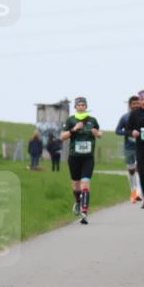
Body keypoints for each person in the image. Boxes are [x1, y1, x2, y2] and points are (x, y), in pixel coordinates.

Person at [61, 96, 102, 224]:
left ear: (86, 106)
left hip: (88, 158)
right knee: (76, 186)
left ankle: (84, 212)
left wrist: (96, 133)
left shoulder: (92, 120)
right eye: (79, 105)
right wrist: (74, 129)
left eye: (83, 105)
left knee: (85, 184)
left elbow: (100, 134)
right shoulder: (70, 120)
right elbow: (63, 136)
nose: (81, 107)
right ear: (75, 107)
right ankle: (78, 202)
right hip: (74, 157)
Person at [115, 96, 143, 203]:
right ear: (130, 105)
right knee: (131, 169)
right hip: (129, 147)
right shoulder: (125, 117)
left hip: (141, 146)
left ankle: (139, 192)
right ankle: (133, 190)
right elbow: (117, 131)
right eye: (133, 103)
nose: (136, 105)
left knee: (139, 168)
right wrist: (130, 133)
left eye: (137, 103)